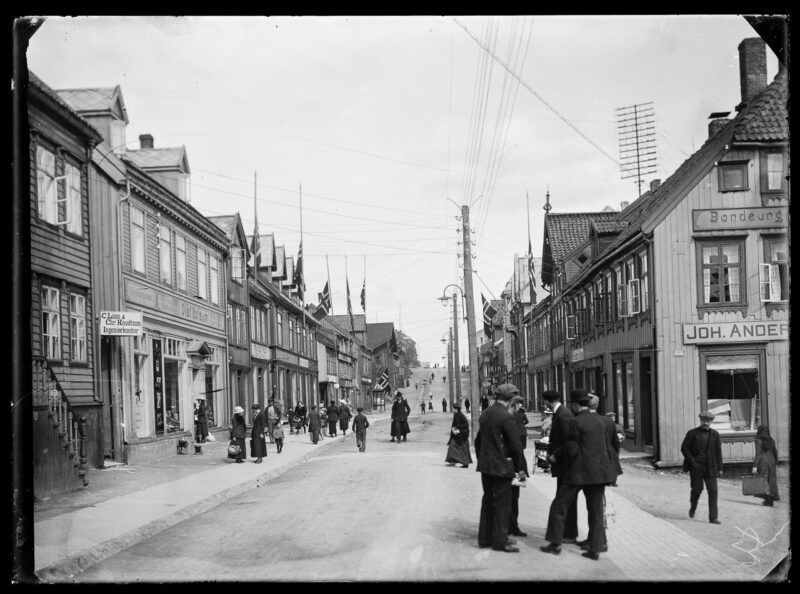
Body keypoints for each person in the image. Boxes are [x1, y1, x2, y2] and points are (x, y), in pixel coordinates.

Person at [541, 388, 619, 561]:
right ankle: (595, 549)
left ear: (576, 405)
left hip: (578, 473)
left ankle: (555, 543)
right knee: (596, 511)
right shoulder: (603, 422)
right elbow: (610, 446)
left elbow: (571, 448)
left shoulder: (576, 422)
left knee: (559, 506)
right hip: (598, 473)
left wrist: (556, 457)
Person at [474, 383, 527, 553]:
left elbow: (478, 442)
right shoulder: (507, 417)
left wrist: (482, 459)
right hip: (503, 468)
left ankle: (484, 538)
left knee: (488, 501)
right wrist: (520, 468)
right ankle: (500, 541)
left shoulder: (485, 414)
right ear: (511, 399)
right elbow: (516, 446)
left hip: (486, 467)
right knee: (502, 505)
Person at [540, 389, 579, 550]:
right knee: (567, 502)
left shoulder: (563, 415)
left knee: (562, 502)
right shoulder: (561, 413)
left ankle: (563, 536)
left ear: (546, 401)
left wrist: (556, 455)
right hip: (565, 465)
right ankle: (568, 533)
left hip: (566, 465)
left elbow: (569, 441)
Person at [680, 410, 723, 524]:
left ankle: (713, 518)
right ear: (700, 420)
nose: (706, 423)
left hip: (711, 467)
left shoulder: (715, 434)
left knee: (713, 491)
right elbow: (684, 448)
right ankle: (693, 506)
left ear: (711, 422)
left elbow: (718, 452)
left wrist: (720, 468)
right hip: (696, 467)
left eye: (708, 421)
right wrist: (692, 460)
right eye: (704, 420)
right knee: (697, 489)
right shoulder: (692, 433)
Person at [508, 395, 529, 538]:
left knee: (512, 499)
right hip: (512, 467)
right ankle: (509, 528)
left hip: (509, 466)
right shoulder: (509, 420)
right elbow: (517, 449)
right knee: (511, 499)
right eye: (519, 404)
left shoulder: (510, 418)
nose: (520, 406)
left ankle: (512, 527)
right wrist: (521, 470)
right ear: (513, 404)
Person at [751, 425, 780, 506]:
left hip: (763, 462)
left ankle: (767, 499)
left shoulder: (758, 440)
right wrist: (776, 462)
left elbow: (758, 454)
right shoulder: (771, 440)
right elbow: (775, 452)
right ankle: (771, 498)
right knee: (772, 480)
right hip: (772, 461)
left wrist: (754, 466)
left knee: (762, 480)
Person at [445, 402, 472, 468]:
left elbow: (465, 425)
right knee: (454, 447)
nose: (452, 409)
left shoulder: (459, 415)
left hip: (462, 435)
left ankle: (464, 463)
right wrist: (455, 428)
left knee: (459, 448)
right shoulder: (457, 414)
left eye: (453, 408)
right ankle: (453, 461)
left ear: (456, 409)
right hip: (460, 434)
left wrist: (456, 428)